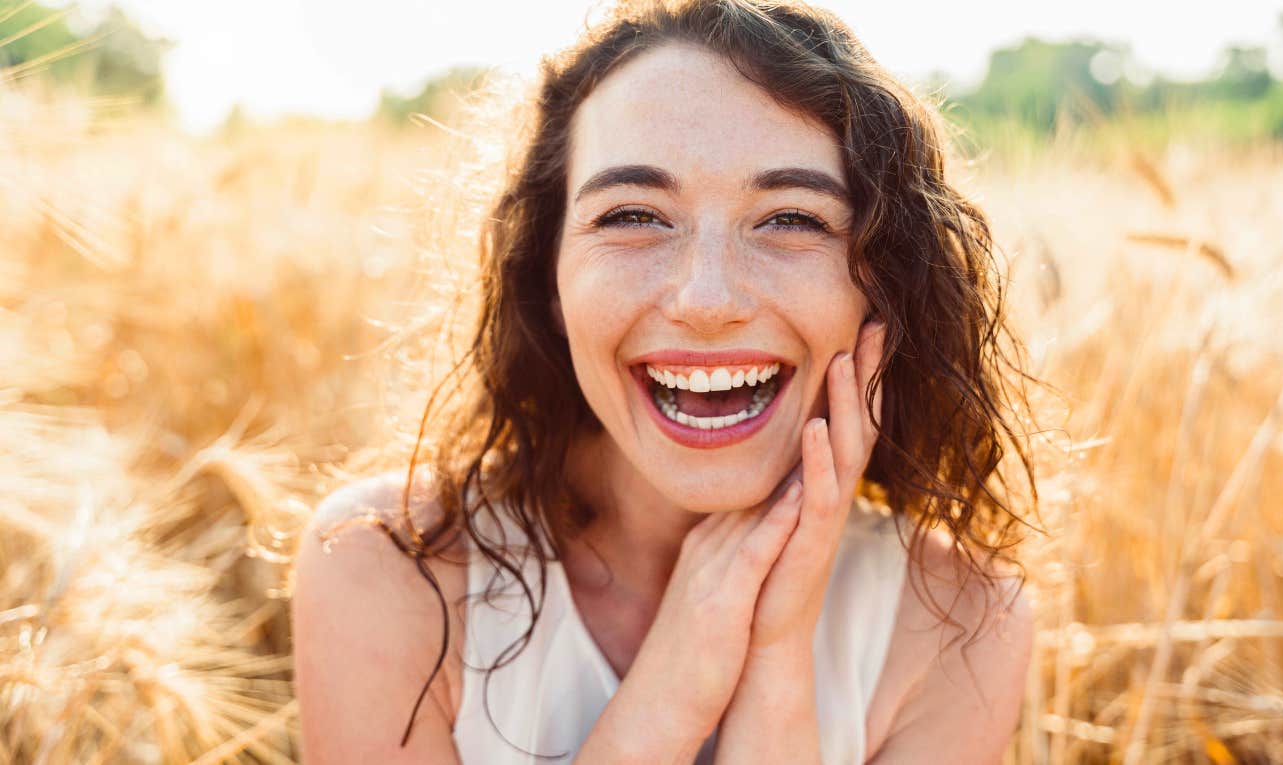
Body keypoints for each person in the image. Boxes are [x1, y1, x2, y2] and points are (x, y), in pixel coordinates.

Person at [291, 0, 1041, 762]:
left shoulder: (959, 622)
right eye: (632, 216)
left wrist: (775, 663)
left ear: (883, 288)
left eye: (791, 219)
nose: (707, 300)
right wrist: (670, 694)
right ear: (550, 281)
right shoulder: (387, 569)